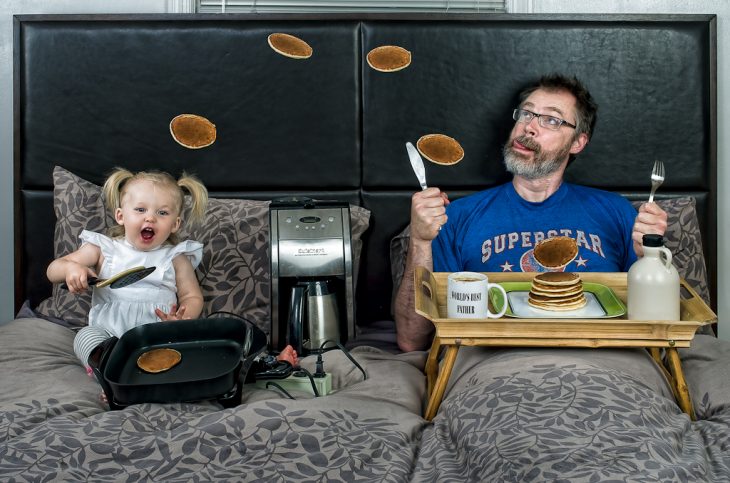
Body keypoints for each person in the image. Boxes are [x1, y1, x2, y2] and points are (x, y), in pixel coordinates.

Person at [395, 74, 668, 352]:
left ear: (578, 142)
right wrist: (419, 240)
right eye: (526, 113)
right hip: (494, 366)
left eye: (551, 119)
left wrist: (650, 257)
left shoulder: (617, 213)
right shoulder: (458, 216)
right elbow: (411, 340)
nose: (529, 127)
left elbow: (657, 327)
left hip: (601, 363)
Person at [47, 167, 210, 368]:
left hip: (156, 335)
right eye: (140, 210)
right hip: (109, 337)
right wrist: (71, 268)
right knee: (85, 337)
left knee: (183, 346)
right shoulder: (104, 248)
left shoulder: (175, 258)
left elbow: (191, 296)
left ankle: (148, 373)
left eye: (162, 212)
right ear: (120, 215)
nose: (150, 218)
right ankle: (110, 372)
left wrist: (181, 320)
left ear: (175, 224)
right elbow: (53, 270)